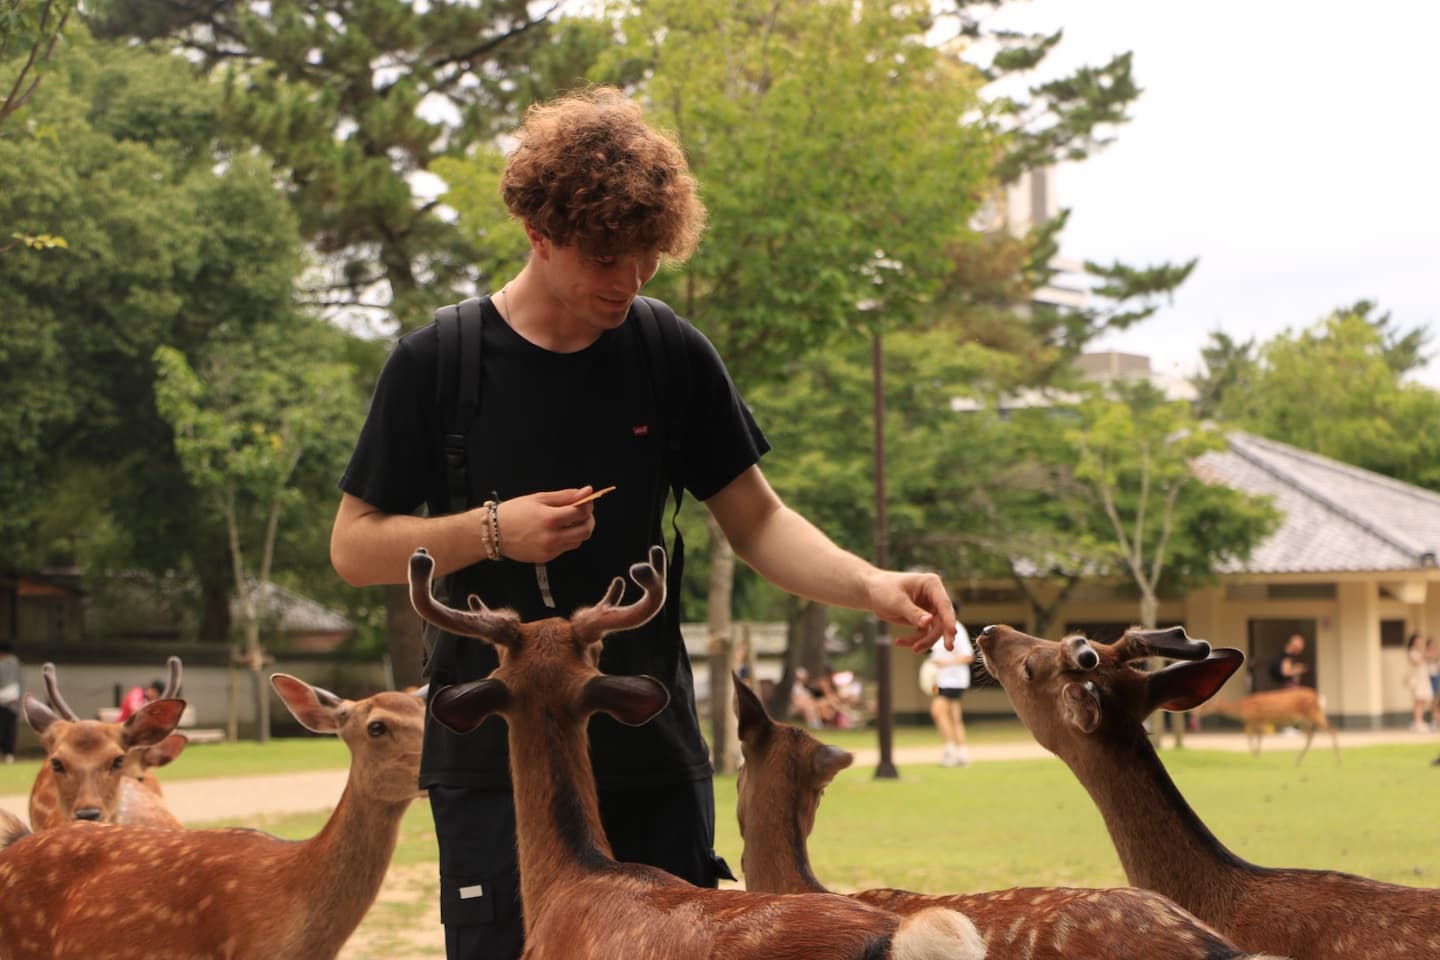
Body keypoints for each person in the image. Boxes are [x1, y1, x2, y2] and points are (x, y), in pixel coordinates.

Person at [328, 86, 957, 960]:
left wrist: (871, 583)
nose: (627, 281)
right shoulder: (439, 363)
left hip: (647, 750)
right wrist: (492, 531)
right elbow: (354, 547)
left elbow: (758, 521)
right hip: (497, 767)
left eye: (648, 257)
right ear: (538, 235)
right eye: (603, 258)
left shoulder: (669, 354)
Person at [926, 623, 975, 766]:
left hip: (953, 681)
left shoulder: (956, 629)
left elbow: (968, 656)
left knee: (937, 711)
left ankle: (950, 750)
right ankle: (961, 754)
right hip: (938, 681)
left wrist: (946, 663)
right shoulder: (935, 629)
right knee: (954, 716)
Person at [1405, 632, 1432, 733]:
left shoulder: (1421, 651)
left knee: (1423, 702)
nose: (1420, 642)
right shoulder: (1412, 652)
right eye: (1418, 640)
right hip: (1418, 680)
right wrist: (1424, 653)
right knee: (1418, 702)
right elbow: (1418, 661)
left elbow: (1431, 656)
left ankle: (1420, 721)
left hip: (1424, 679)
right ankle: (1417, 723)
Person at [0, 642, 21, 763]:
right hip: (14, 703)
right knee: (10, 729)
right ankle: (9, 754)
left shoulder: (6, 664)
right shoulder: (17, 664)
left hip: (4, 702)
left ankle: (7, 753)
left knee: (3, 729)